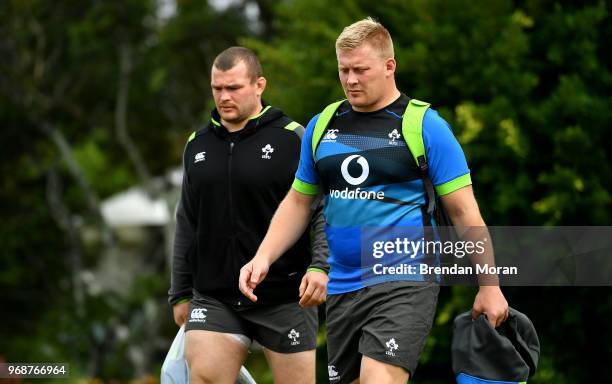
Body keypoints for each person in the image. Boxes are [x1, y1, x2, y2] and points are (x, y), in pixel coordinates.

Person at [239, 18, 509, 384]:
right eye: (343, 70)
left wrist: (489, 286)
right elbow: (298, 203)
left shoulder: (424, 126)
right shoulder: (322, 126)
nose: (350, 80)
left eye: (360, 70)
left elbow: (464, 211)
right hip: (343, 288)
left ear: (389, 66)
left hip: (405, 279)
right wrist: (263, 256)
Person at [168, 46, 329, 384]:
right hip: (215, 297)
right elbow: (187, 221)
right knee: (206, 377)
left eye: (234, 88)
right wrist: (180, 291)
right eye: (217, 88)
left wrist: (320, 266)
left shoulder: (294, 138)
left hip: (286, 296)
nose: (224, 97)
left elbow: (322, 213)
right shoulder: (197, 144)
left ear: (259, 85)